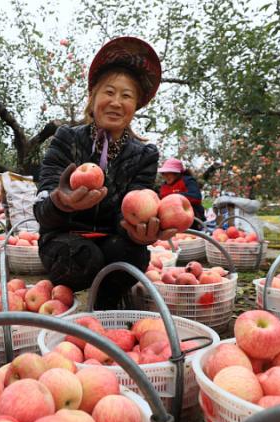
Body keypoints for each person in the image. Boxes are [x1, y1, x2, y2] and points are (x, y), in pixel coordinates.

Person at [34, 37, 176, 310]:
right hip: (63, 239)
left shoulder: (144, 156)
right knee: (81, 257)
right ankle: (68, 304)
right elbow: (41, 207)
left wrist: (137, 230)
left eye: (126, 96)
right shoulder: (66, 139)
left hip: (111, 241)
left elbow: (133, 207)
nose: (116, 102)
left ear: (136, 105)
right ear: (93, 97)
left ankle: (106, 307)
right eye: (109, 92)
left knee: (132, 255)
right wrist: (61, 201)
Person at [158, 158, 206, 229]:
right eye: (164, 173)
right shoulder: (164, 186)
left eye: (169, 173)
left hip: (192, 220)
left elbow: (196, 197)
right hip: (171, 221)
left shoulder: (187, 181)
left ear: (178, 174)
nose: (166, 176)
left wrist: (175, 197)